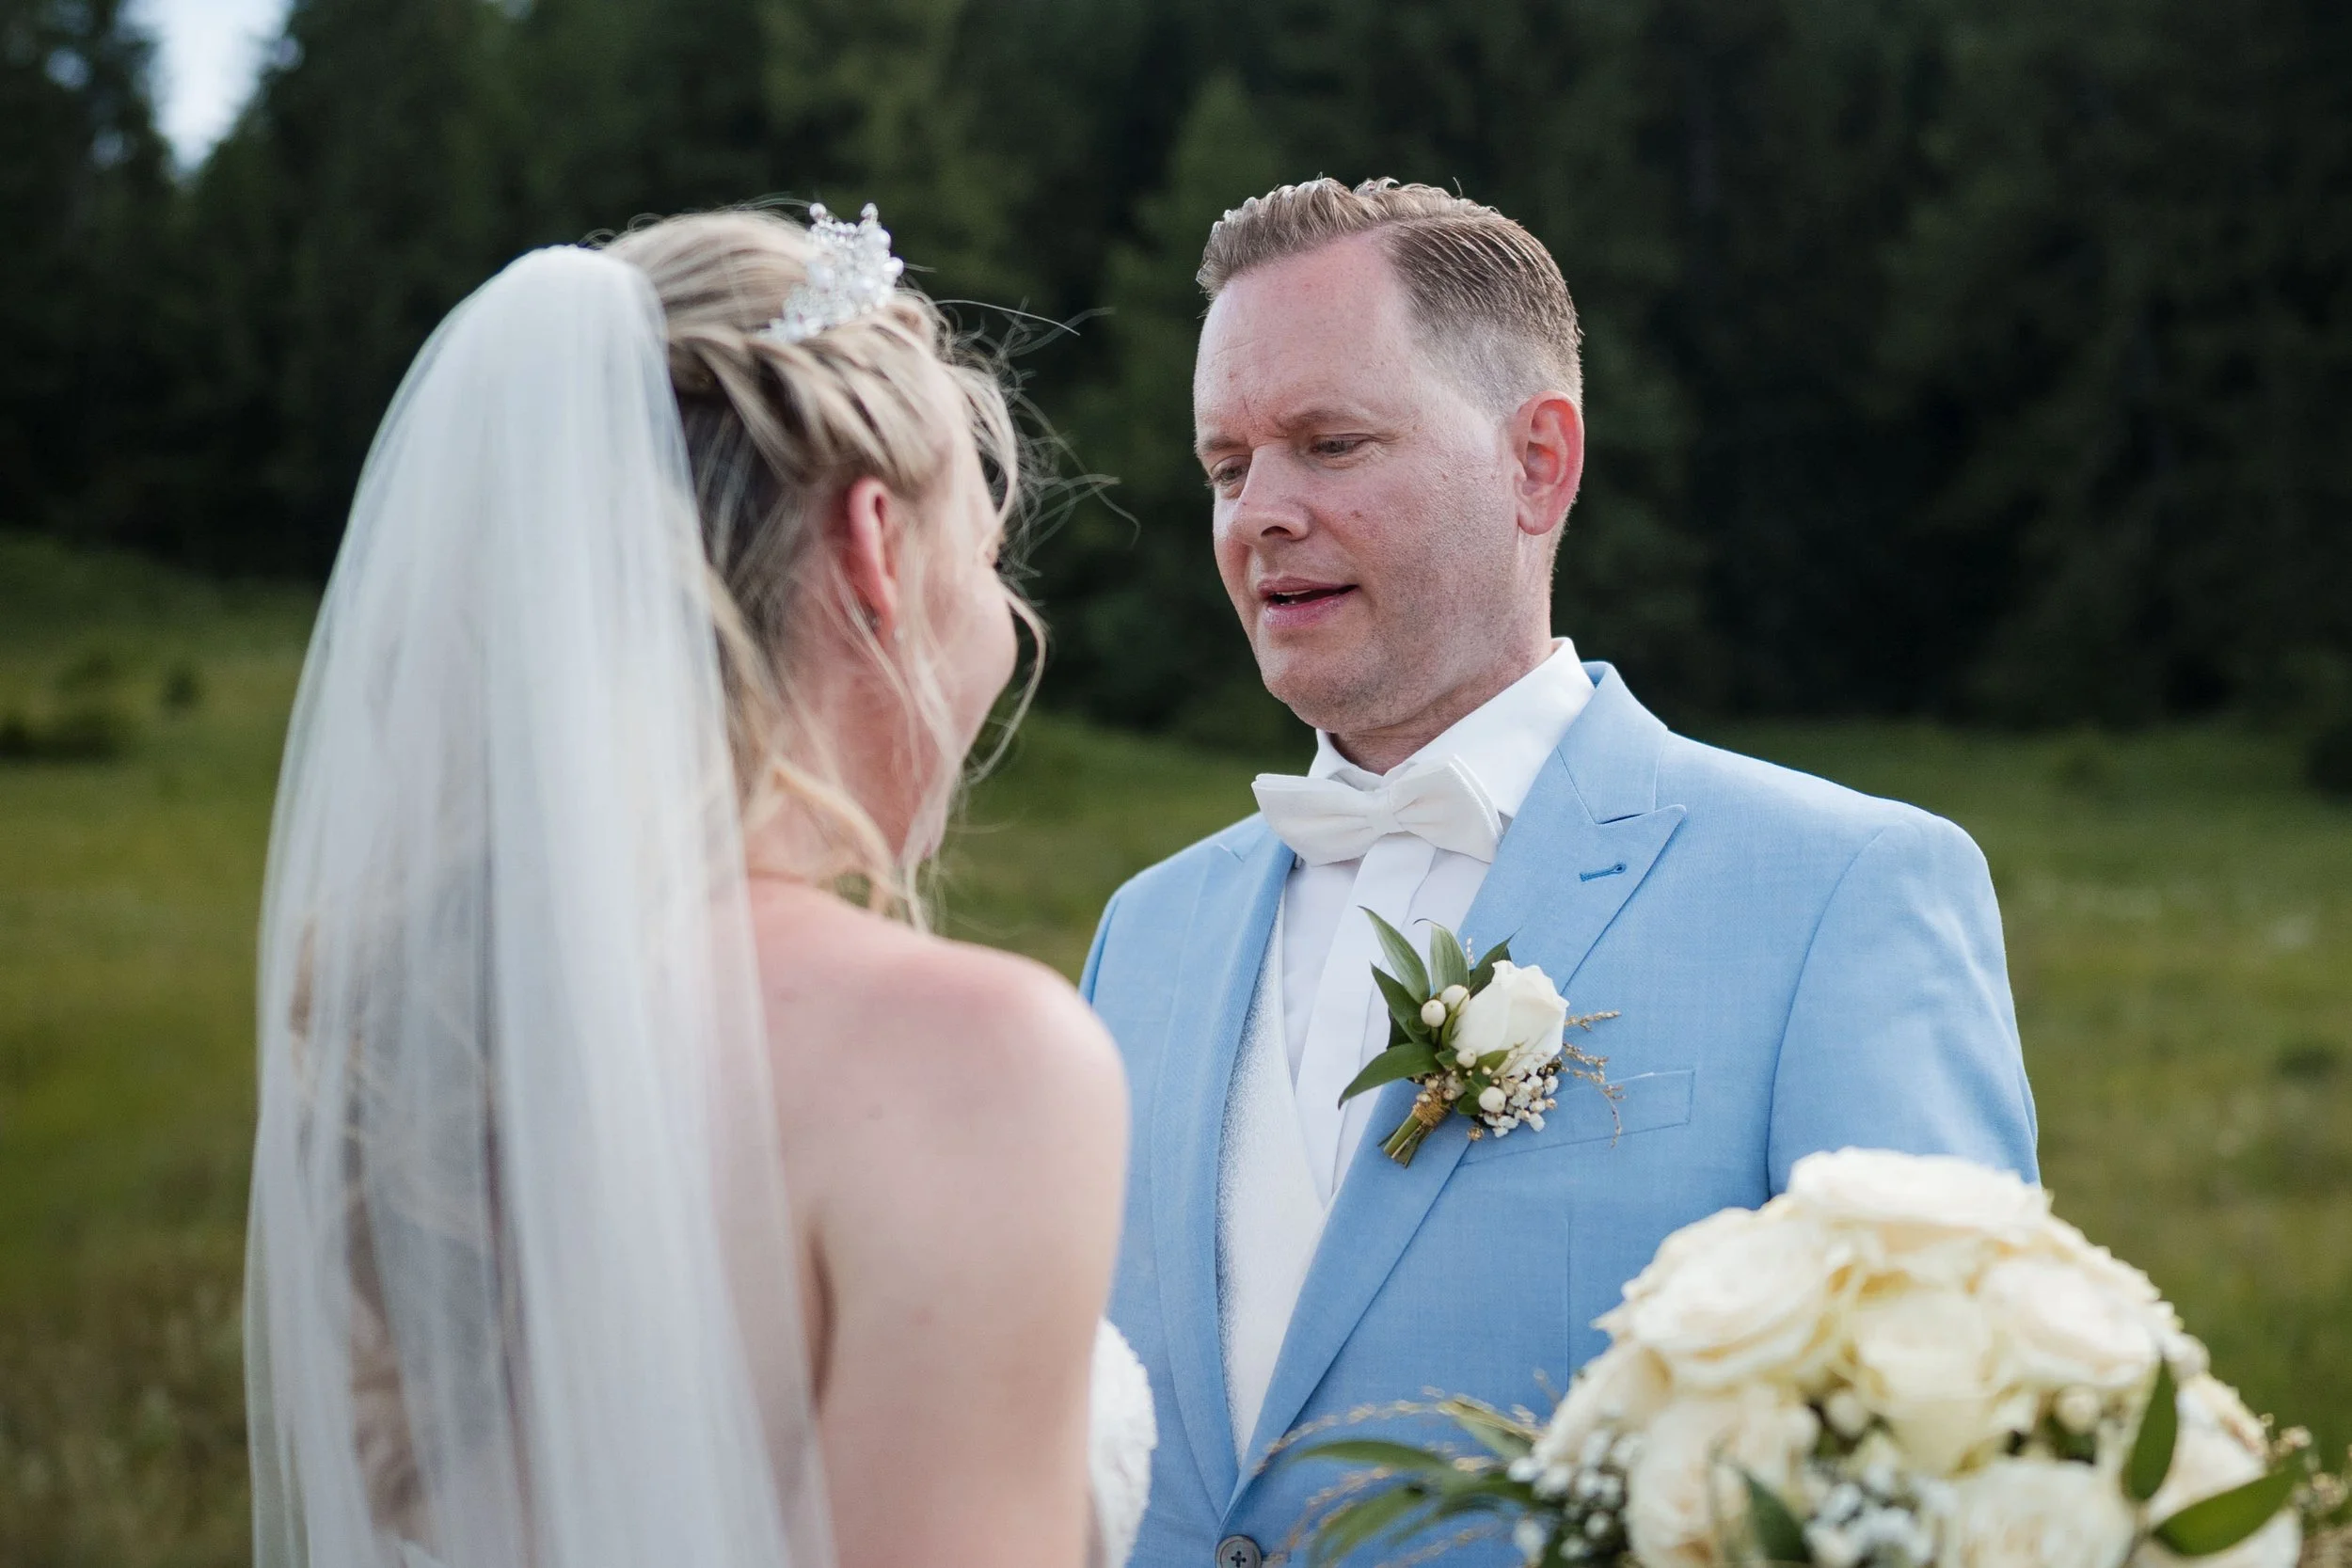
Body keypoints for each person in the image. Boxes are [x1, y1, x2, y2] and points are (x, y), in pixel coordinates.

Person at [1082, 178, 2040, 1568]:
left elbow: (1951, 1466)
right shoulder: (1145, 933)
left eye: (1330, 445)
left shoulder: (1843, 895)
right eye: (1227, 468)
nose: (1260, 515)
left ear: (1538, 462)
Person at [245, 207, 1152, 1568]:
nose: (1007, 628)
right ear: (876, 549)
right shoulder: (982, 1061)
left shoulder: (427, 1042)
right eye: (986, 561)